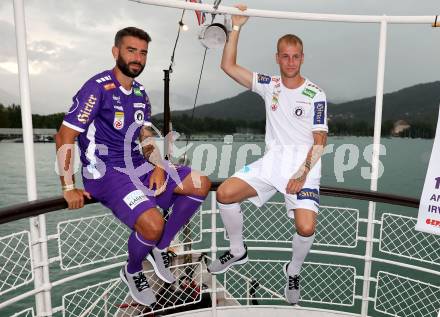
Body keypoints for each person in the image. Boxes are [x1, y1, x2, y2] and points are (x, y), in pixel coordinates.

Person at [55, 27, 211, 307]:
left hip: (137, 165)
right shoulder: (97, 87)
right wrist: (68, 186)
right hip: (105, 173)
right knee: (152, 226)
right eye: (131, 50)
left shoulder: (140, 93)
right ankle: (133, 268)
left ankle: (161, 247)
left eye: (143, 52)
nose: (137, 57)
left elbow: (145, 137)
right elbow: (65, 136)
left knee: (200, 183)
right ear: (116, 52)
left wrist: (161, 165)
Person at [207, 5, 328, 305]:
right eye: (284, 55)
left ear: (302, 57)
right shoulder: (269, 85)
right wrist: (236, 28)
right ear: (277, 58)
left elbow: (321, 140)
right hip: (273, 161)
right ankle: (237, 250)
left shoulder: (316, 93)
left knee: (306, 226)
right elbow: (228, 66)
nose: (290, 61)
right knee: (224, 194)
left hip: (305, 166)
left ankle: (293, 270)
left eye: (295, 55)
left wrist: (301, 173)